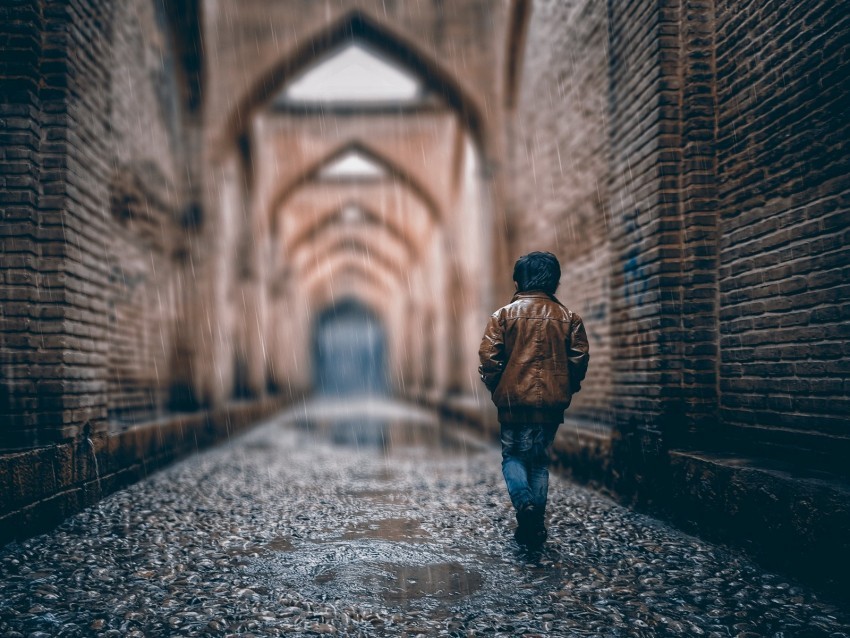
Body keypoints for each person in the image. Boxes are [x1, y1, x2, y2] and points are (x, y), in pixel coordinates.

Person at [478, 251, 590, 546]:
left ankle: (524, 505)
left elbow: (489, 359)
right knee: (539, 461)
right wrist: (566, 387)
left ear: (519, 281)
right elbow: (578, 359)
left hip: (513, 402)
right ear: (554, 281)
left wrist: (499, 387)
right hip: (551, 404)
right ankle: (536, 525)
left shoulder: (502, 316)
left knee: (513, 455)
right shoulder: (569, 318)